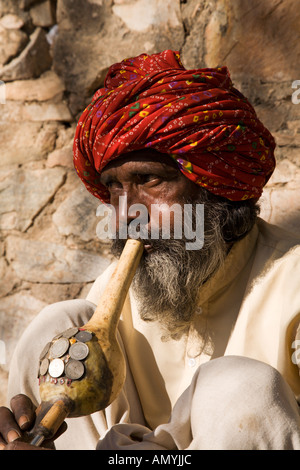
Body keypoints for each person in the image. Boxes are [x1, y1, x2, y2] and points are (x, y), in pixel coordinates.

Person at [1, 50, 300, 451]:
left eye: (149, 180)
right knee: (59, 327)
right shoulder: (113, 292)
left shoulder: (292, 280)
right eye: (115, 187)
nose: (127, 214)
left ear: (214, 184)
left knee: (241, 389)